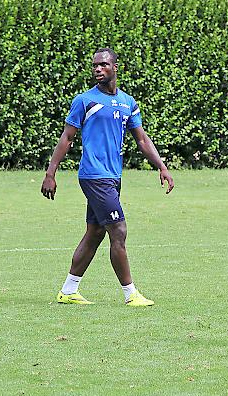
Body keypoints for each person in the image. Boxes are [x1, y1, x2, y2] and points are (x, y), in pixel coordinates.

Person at [42, 48, 174, 306]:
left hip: (113, 176)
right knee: (118, 229)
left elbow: (142, 139)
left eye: (103, 65)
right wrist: (51, 173)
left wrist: (162, 167)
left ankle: (68, 290)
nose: (97, 69)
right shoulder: (84, 101)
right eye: (94, 66)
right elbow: (67, 138)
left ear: (115, 67)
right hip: (93, 175)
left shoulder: (127, 102)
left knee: (95, 233)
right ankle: (130, 294)